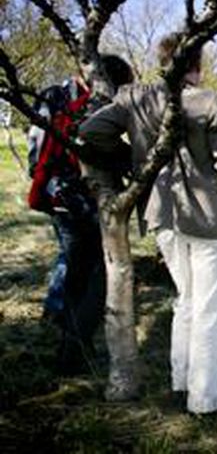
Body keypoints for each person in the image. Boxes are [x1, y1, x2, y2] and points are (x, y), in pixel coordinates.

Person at [78, 33, 217, 415]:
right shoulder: (212, 101)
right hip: (212, 220)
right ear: (196, 65)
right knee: (211, 311)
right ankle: (205, 403)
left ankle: (181, 382)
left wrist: (137, 164)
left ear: (163, 62)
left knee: (187, 299)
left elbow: (89, 131)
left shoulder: (134, 97)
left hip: (162, 217)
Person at [27, 55, 134, 374]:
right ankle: (74, 348)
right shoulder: (92, 103)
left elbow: (36, 145)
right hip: (80, 199)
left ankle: (64, 333)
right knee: (99, 273)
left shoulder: (52, 94)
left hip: (56, 195)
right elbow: (95, 145)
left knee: (74, 266)